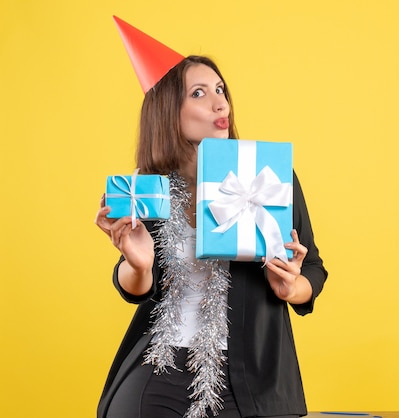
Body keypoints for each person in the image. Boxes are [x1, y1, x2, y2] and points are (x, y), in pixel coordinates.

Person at [94, 17, 327, 418]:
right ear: (169, 110)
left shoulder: (268, 176)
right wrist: (139, 264)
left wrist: (292, 287)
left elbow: (315, 273)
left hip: (253, 378)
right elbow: (132, 286)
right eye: (199, 93)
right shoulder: (147, 187)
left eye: (220, 90)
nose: (220, 103)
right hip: (160, 371)